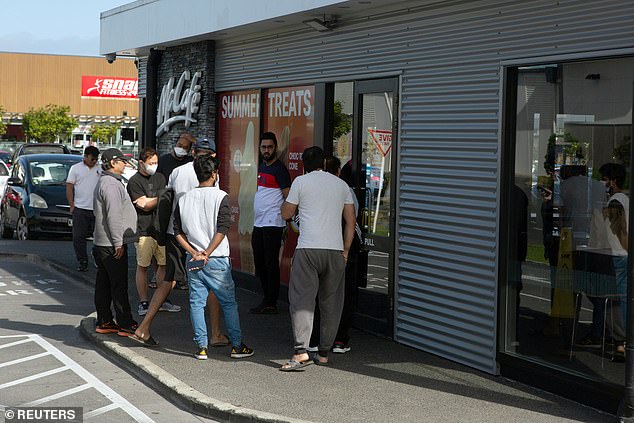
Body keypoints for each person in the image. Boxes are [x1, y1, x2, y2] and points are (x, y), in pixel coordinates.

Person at [131, 138, 229, 348]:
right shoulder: (212, 174)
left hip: (177, 235)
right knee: (211, 285)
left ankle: (144, 327)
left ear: (193, 153)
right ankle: (215, 334)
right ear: (212, 156)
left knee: (168, 281)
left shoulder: (178, 172)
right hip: (204, 239)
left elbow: (168, 199)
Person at [279, 146, 356, 371]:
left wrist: (290, 205)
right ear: (324, 163)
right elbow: (351, 221)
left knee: (303, 300)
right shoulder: (341, 185)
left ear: (304, 165)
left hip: (308, 249)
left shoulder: (301, 183)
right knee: (331, 302)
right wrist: (346, 250)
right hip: (335, 250)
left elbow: (286, 213)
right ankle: (323, 353)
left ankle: (301, 351)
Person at [173, 154, 254, 360]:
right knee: (228, 303)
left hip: (193, 259)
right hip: (216, 258)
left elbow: (177, 232)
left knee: (196, 303)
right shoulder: (220, 196)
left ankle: (201, 347)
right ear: (214, 174)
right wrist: (207, 252)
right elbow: (223, 228)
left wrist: (194, 253)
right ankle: (236, 346)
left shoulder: (184, 199)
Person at [308, 157, 361, 354]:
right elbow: (351, 220)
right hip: (339, 248)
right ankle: (339, 340)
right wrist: (347, 250)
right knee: (342, 296)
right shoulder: (344, 189)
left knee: (316, 295)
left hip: (315, 247)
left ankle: (314, 339)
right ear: (338, 171)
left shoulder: (309, 188)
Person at [126, 147, 181, 317]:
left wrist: (155, 200)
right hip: (144, 229)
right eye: (151, 163)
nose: (154, 166)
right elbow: (143, 204)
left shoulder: (160, 177)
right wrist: (162, 197)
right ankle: (143, 302)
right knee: (143, 266)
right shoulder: (134, 181)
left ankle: (162, 299)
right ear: (141, 163)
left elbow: (153, 202)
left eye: (155, 162)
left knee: (163, 265)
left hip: (161, 228)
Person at [92, 148, 138, 337]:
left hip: (103, 242)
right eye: (122, 161)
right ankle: (125, 323)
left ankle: (105, 320)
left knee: (104, 283)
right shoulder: (111, 184)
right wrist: (118, 243)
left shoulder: (106, 181)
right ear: (112, 163)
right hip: (111, 244)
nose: (125, 164)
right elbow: (113, 216)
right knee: (118, 285)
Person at [250, 132, 291, 314]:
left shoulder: (280, 169)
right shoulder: (263, 167)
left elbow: (288, 195)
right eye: (263, 147)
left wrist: (285, 219)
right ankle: (266, 298)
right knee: (260, 262)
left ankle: (271, 301)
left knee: (270, 263)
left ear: (275, 148)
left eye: (270, 147)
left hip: (273, 223)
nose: (266, 150)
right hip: (259, 223)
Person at [599, 162, 628, 361]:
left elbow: (620, 230)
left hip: (617, 255)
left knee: (614, 299)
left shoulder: (616, 202)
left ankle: (621, 341)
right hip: (623, 256)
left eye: (605, 179)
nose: (602, 182)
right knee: (623, 297)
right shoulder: (625, 199)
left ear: (613, 181)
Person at [66, 145, 100, 272]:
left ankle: (96, 256)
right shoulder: (75, 169)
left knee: (98, 236)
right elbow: (69, 186)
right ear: (85, 156)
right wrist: (72, 204)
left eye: (96, 159)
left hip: (96, 209)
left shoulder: (100, 169)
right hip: (80, 208)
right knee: (78, 237)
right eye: (92, 159)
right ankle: (82, 260)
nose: (94, 161)